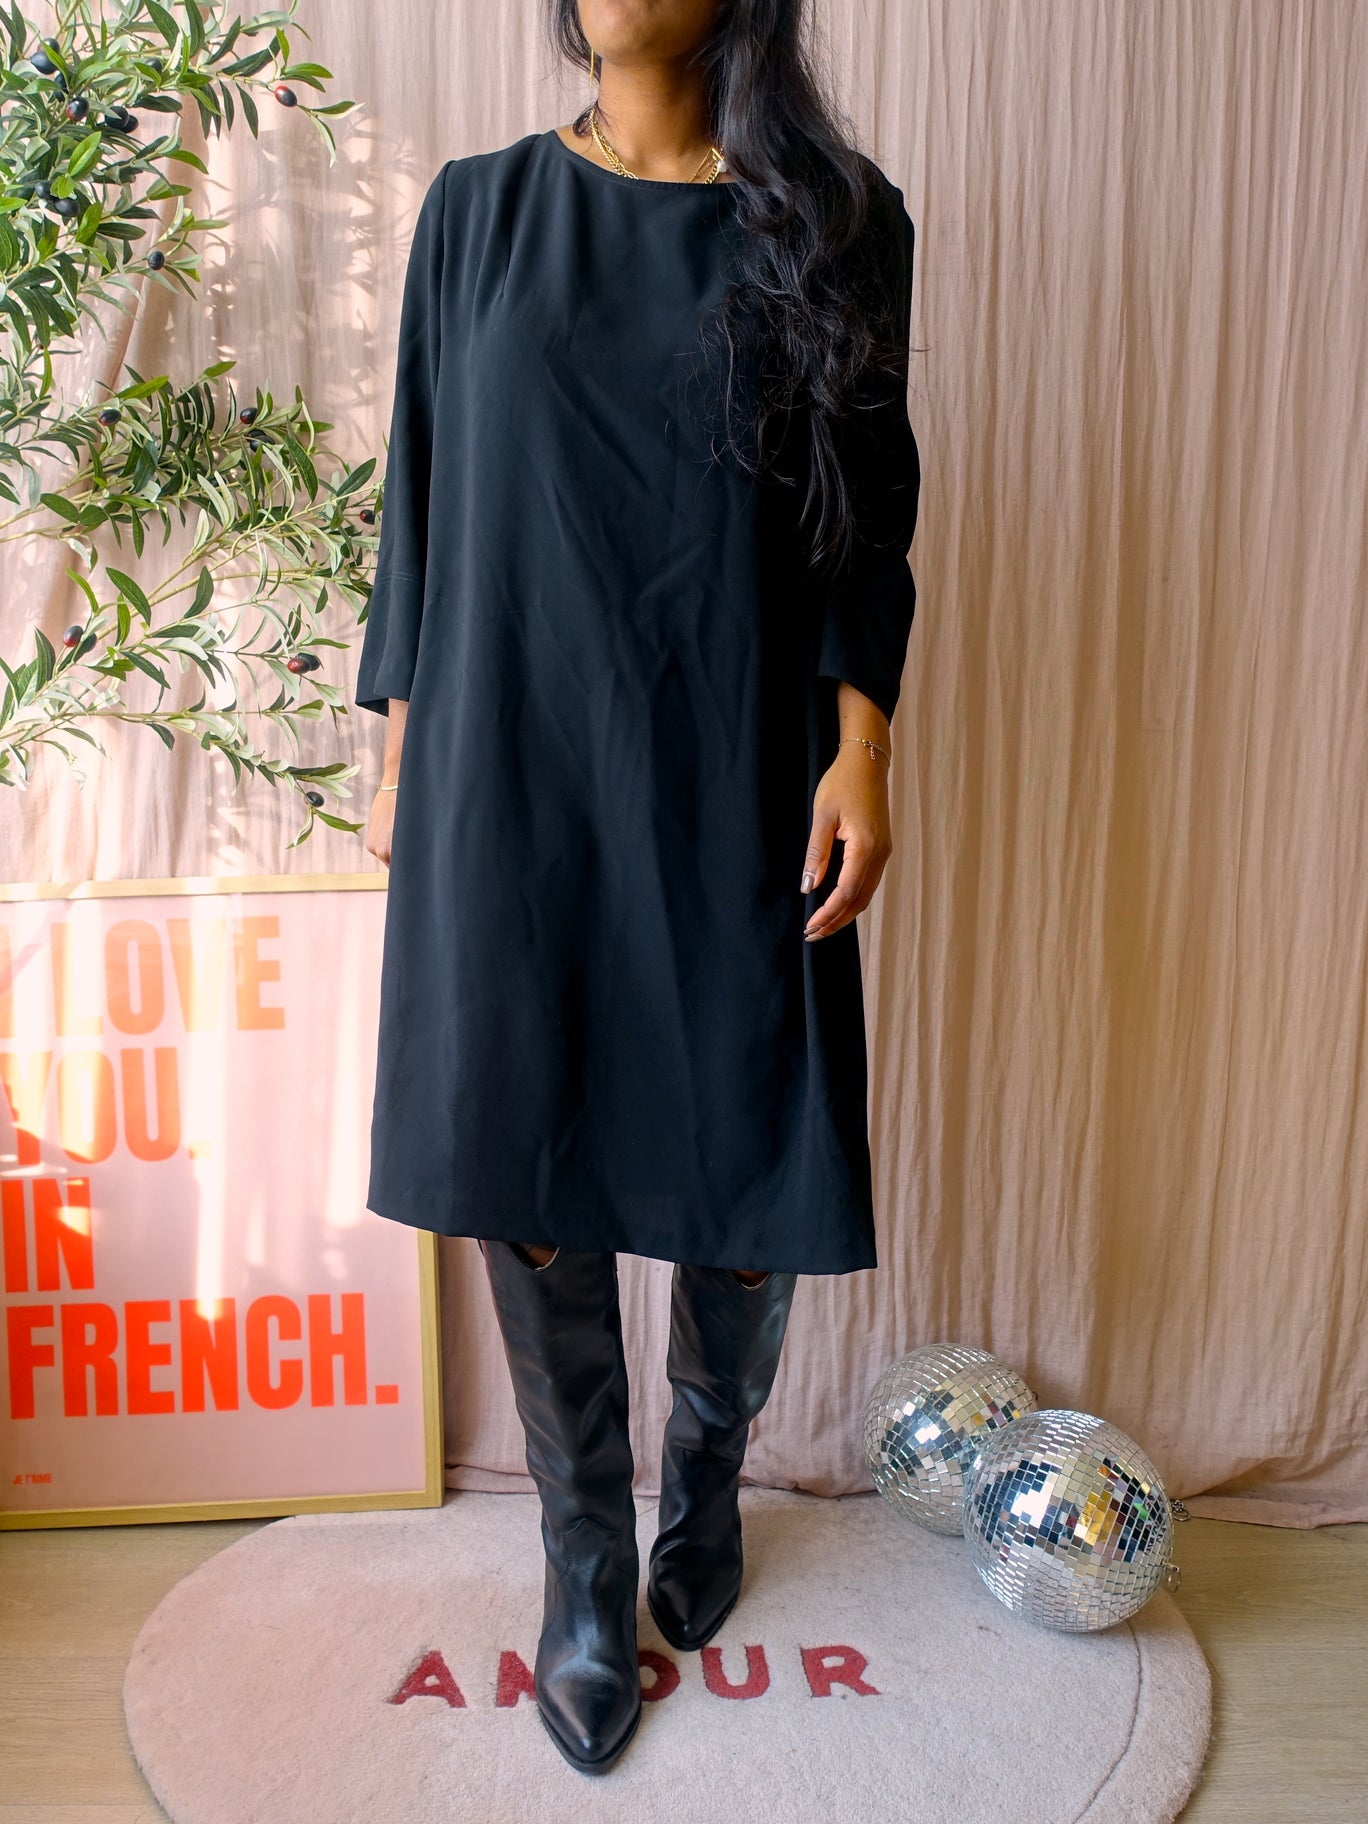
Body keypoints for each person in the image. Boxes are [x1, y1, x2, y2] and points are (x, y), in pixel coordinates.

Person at [354, 0, 920, 1778]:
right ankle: (587, 1559)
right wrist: (400, 747)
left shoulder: (837, 219)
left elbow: (866, 511)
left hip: (738, 741)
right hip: (511, 746)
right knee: (528, 1126)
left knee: (747, 1128)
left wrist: (865, 741)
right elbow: (421, 487)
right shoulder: (478, 211)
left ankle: (707, 1481)